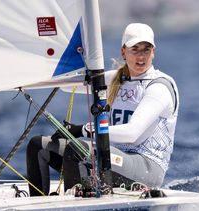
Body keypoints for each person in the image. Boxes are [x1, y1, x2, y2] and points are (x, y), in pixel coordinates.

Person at [26, 23, 179, 196]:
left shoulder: (159, 86)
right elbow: (65, 86)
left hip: (146, 167)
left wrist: (82, 129)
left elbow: (132, 133)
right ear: (123, 51)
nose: (141, 56)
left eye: (146, 49)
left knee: (79, 149)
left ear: (153, 52)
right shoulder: (116, 78)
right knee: (38, 146)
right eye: (134, 49)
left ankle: (76, 204)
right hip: (109, 157)